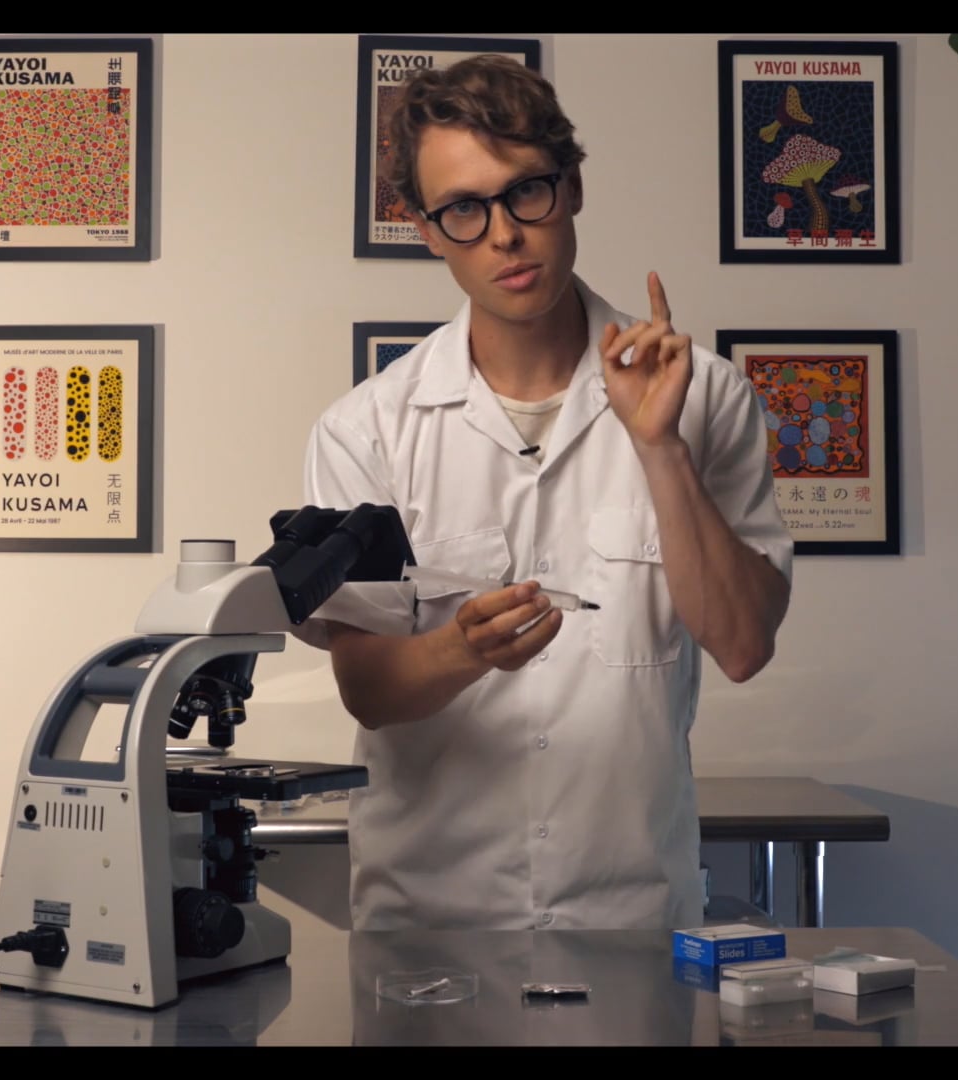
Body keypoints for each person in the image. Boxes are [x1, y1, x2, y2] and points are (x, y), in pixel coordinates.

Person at [294, 54, 793, 933]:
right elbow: (366, 689)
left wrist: (660, 449)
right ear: (426, 229)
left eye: (527, 192)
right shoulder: (366, 429)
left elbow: (744, 644)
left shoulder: (705, 396)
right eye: (463, 209)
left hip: (633, 915)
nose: (503, 235)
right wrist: (462, 651)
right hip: (428, 918)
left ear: (572, 188)